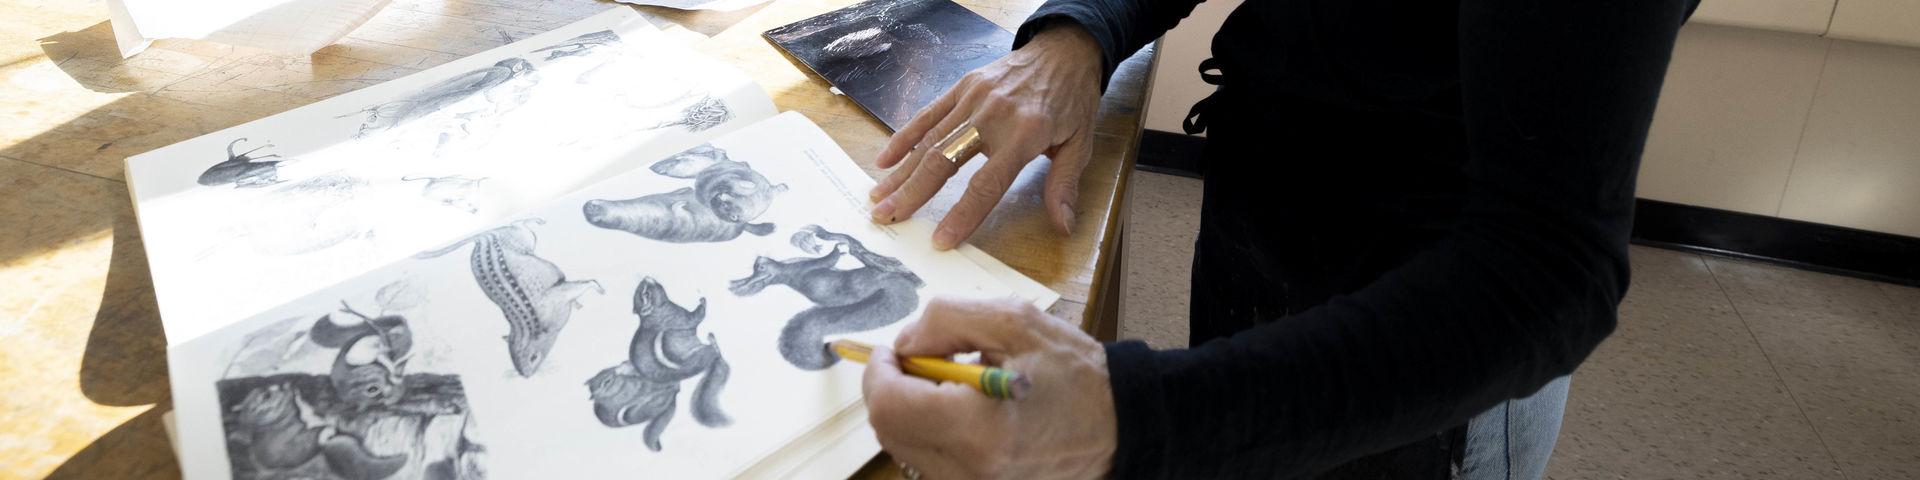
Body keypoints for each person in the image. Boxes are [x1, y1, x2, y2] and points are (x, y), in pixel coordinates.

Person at [860, 0, 1699, 478]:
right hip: (1257, 217)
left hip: (1426, 339)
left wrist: (1133, 414)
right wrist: (1081, 32)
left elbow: (1547, 274)